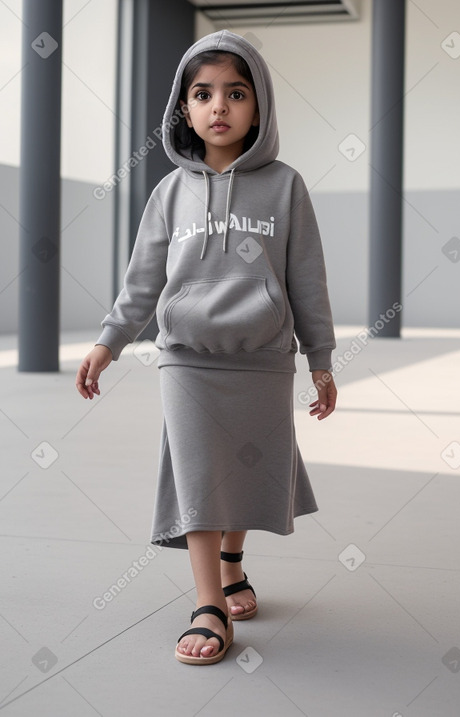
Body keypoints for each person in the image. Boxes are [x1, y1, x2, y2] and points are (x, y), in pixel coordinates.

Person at [75, 29, 337, 665]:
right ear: (184, 109)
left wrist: (321, 358)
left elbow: (307, 278)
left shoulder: (285, 186)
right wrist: (110, 342)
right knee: (198, 475)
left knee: (243, 469)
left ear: (259, 107)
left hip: (262, 360)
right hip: (188, 359)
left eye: (236, 92)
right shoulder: (169, 192)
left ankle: (233, 562)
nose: (219, 105)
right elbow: (143, 281)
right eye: (203, 93)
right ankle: (208, 603)